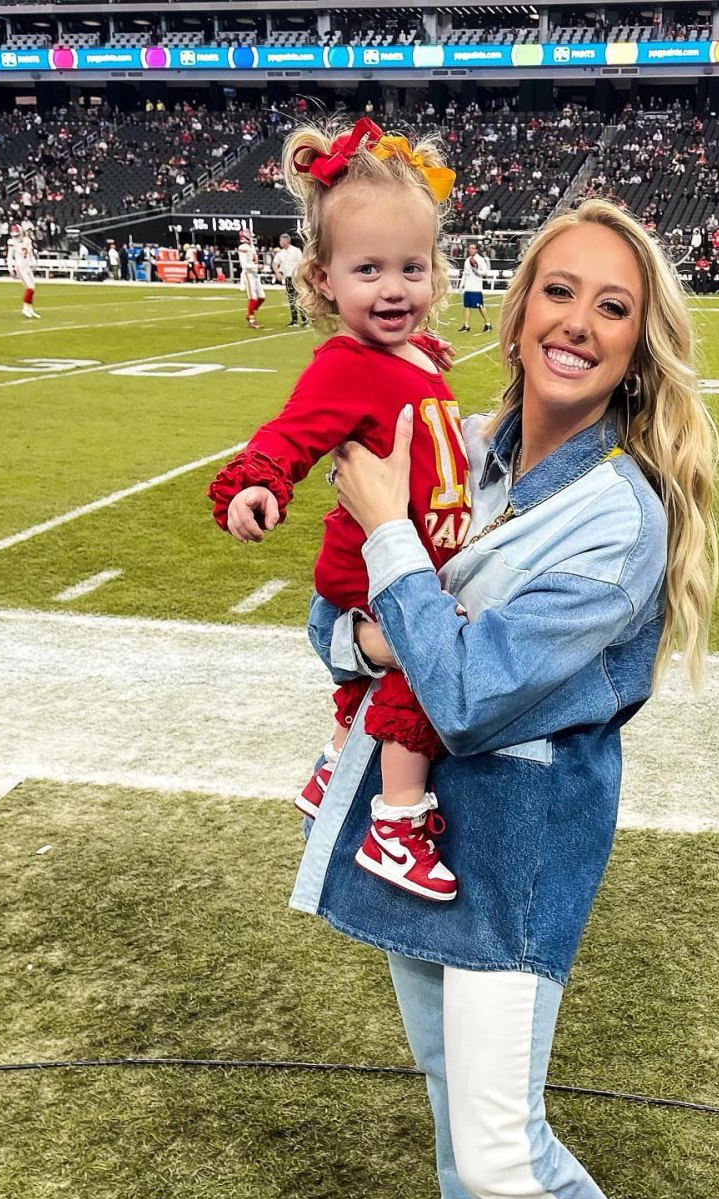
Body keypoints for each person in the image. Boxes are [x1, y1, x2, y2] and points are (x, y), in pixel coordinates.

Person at [296, 198, 717, 1199]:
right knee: (443, 1078)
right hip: (419, 817)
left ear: (641, 344)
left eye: (613, 306)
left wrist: (381, 550)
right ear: (517, 303)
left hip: (521, 834)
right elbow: (331, 623)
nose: (579, 323)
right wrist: (366, 629)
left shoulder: (619, 516)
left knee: (499, 1129)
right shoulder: (461, 445)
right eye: (560, 293)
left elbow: (473, 691)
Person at [209, 116, 468, 900]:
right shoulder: (344, 365)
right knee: (426, 669)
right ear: (324, 279)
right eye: (368, 271)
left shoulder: (407, 353)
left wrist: (424, 362)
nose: (395, 288)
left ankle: (331, 770)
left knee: (382, 680)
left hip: (408, 559)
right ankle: (395, 824)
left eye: (411, 268)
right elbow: (289, 434)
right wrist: (256, 483)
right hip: (372, 571)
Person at [272, 231, 307, 326]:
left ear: (286, 241)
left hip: (296, 278)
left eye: (281, 240)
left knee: (300, 299)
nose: (279, 242)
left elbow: (301, 263)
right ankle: (294, 320)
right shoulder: (281, 253)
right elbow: (275, 263)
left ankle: (304, 320)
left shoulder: (296, 251)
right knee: (291, 300)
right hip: (288, 278)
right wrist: (277, 273)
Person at [7, 222, 40, 318]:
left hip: (27, 266)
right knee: (29, 288)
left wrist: (33, 263)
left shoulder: (27, 240)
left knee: (32, 288)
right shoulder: (12, 243)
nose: (16, 237)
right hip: (20, 267)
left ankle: (30, 309)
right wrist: (10, 269)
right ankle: (25, 309)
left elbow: (30, 254)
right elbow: (9, 257)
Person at [458, 241, 491, 332]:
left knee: (480, 306)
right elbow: (465, 273)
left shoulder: (480, 259)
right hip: (468, 287)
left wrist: (476, 271)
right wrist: (461, 285)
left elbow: (485, 272)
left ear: (476, 250)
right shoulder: (467, 260)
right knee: (467, 306)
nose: (471, 250)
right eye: (470, 248)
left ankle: (488, 323)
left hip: (476, 288)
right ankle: (466, 325)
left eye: (473, 248)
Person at [237, 228, 265, 328]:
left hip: (255, 274)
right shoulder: (243, 247)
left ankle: (250, 313)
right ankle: (251, 320)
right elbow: (244, 264)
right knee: (252, 297)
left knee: (261, 297)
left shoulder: (251, 246)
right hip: (248, 274)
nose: (252, 237)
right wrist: (257, 266)